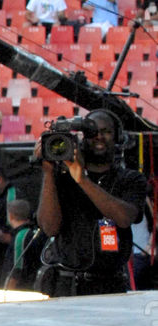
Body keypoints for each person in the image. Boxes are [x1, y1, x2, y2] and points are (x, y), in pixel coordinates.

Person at [34, 110, 146, 295]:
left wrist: (82, 180)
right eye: (92, 132)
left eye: (106, 131)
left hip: (109, 285)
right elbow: (50, 228)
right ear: (83, 138)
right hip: (66, 284)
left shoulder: (131, 179)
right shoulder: (61, 178)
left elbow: (124, 218)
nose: (98, 137)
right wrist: (48, 172)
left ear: (118, 137)